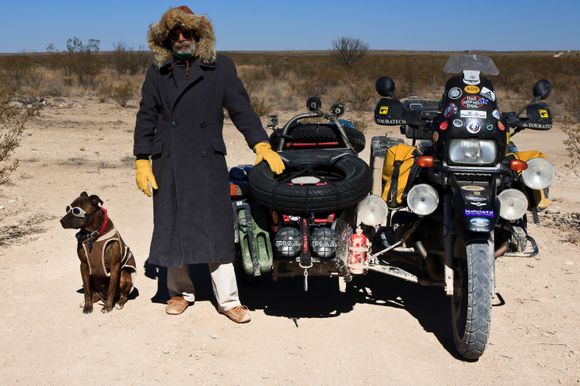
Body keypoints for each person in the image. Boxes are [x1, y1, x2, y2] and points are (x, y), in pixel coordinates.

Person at [133, 5, 285, 322]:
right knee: (173, 225)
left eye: (187, 32)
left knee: (216, 228)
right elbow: (146, 115)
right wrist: (142, 159)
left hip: (207, 160)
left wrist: (260, 144)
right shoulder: (156, 72)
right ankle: (180, 292)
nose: (181, 38)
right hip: (169, 160)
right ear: (165, 39)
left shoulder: (221, 68)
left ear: (199, 35)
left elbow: (241, 109)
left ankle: (229, 299)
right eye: (174, 34)